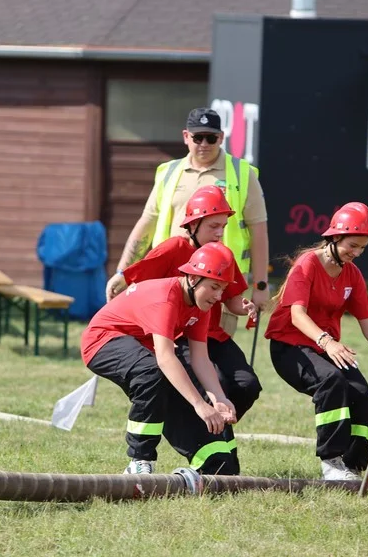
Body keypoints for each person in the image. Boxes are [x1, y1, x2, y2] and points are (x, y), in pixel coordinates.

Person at [108, 185, 262, 473]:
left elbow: (232, 299)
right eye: (213, 225)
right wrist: (119, 278)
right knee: (201, 388)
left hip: (210, 333)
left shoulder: (222, 253)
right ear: (193, 223)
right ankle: (199, 441)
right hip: (179, 336)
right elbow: (142, 287)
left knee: (246, 386)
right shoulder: (173, 249)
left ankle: (213, 430)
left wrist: (247, 306)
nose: (219, 232)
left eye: (223, 226)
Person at [265, 202, 368, 482]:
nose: (356, 253)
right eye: (352, 245)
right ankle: (331, 463)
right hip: (289, 347)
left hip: (323, 347)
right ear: (334, 237)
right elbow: (296, 315)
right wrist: (327, 341)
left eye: (362, 248)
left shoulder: (352, 274)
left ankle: (352, 467)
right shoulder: (307, 264)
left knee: (365, 398)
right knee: (332, 382)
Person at [111, 108, 269, 342]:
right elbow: (147, 223)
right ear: (186, 136)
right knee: (166, 357)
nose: (204, 143)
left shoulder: (243, 173)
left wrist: (261, 284)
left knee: (214, 360)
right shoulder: (168, 172)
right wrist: (122, 271)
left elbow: (259, 231)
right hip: (170, 283)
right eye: (197, 137)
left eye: (211, 138)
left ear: (221, 138)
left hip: (219, 285)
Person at [82, 242, 239, 475]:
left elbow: (200, 359)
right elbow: (165, 358)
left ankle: (214, 465)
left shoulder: (201, 305)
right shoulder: (166, 297)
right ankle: (138, 461)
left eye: (222, 289)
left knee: (186, 387)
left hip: (142, 347)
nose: (218, 296)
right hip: (102, 340)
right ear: (193, 279)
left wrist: (218, 399)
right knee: (153, 373)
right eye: (214, 286)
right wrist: (199, 405)